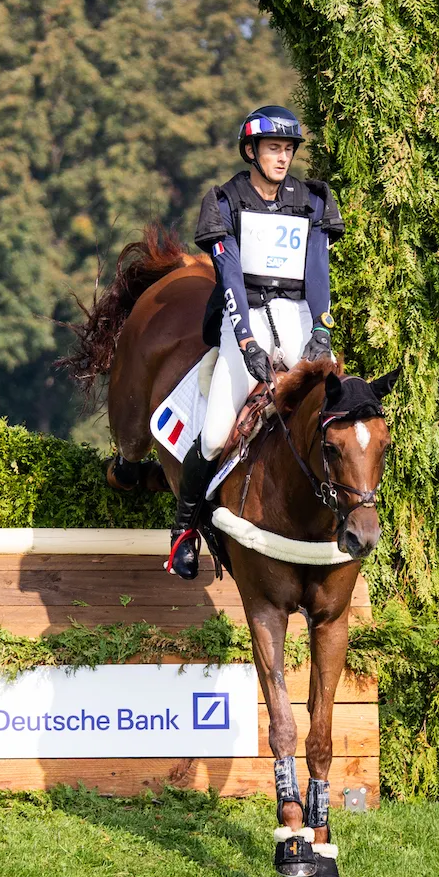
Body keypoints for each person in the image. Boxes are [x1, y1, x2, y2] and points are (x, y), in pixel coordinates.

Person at [166, 105, 344, 578]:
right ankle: (183, 531)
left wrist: (322, 331)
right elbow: (228, 276)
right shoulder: (225, 200)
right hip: (243, 315)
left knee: (339, 416)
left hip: (300, 315)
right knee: (214, 435)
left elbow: (317, 272)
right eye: (273, 149)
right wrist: (245, 342)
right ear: (252, 151)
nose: (282, 158)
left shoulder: (312, 200)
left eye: (288, 150)